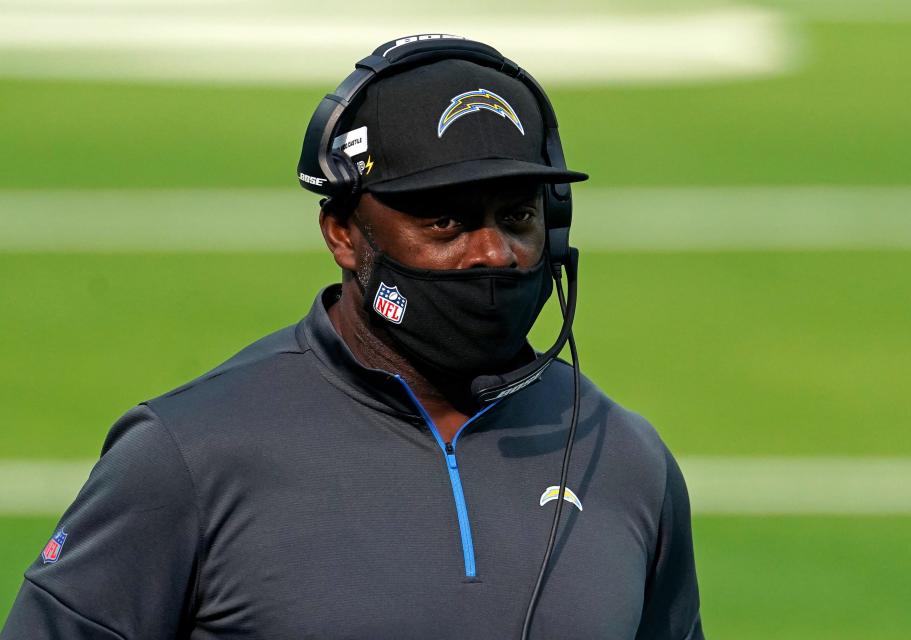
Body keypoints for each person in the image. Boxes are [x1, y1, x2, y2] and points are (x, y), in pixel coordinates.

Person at [1, 36, 704, 639]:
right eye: (445, 223)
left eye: (517, 214)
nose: (493, 253)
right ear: (342, 232)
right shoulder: (187, 456)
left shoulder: (626, 460)